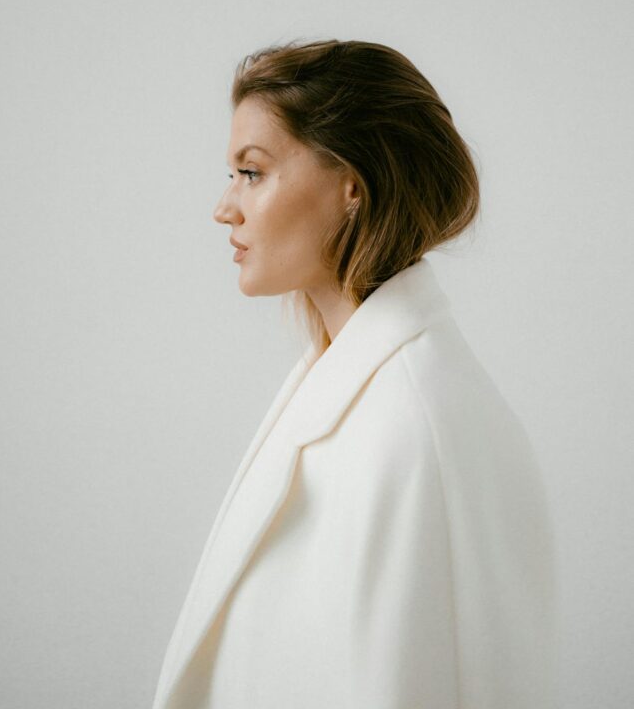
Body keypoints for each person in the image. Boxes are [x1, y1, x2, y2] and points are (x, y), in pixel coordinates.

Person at [151, 39, 558, 709]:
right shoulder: (345, 386)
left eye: (251, 173)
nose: (225, 207)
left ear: (352, 186)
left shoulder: (412, 431)